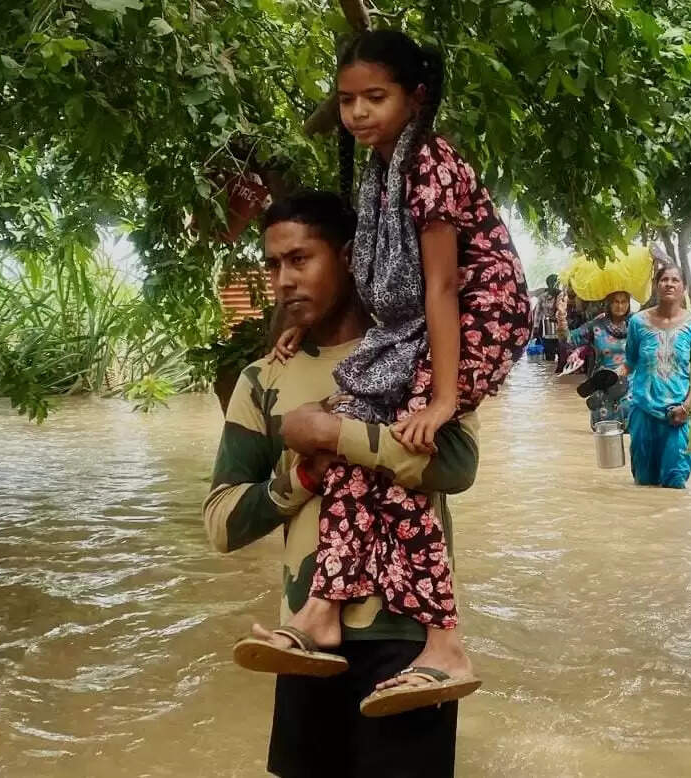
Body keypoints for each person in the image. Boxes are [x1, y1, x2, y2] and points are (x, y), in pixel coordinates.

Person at [255, 30, 530, 715]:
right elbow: (379, 286)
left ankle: (444, 643)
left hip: (478, 313)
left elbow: (439, 287)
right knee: (346, 436)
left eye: (375, 97)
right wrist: (299, 327)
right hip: (414, 326)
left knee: (404, 447)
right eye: (347, 101)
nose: (357, 114)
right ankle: (321, 612)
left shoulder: (429, 165)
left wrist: (440, 399)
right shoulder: (378, 168)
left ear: (415, 96)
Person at [203, 191, 475, 776]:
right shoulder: (263, 380)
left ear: (350, 257)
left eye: (300, 260)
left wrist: (332, 433)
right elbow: (221, 524)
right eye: (273, 264)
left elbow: (457, 465)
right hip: (303, 638)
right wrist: (300, 474)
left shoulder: (422, 354)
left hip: (412, 640)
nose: (281, 280)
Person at [625, 266, 691, 488]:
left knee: (676, 481)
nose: (669, 283)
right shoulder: (637, 322)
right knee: (644, 482)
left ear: (684, 288)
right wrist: (607, 381)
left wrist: (687, 407)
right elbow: (629, 363)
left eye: (675, 280)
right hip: (643, 410)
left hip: (679, 414)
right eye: (664, 279)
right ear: (656, 286)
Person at [557, 290, 631, 429]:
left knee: (633, 434)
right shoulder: (597, 325)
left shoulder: (636, 324)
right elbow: (568, 340)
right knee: (606, 436)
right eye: (616, 301)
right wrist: (561, 316)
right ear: (608, 303)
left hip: (631, 386)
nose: (620, 306)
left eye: (623, 301)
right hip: (603, 385)